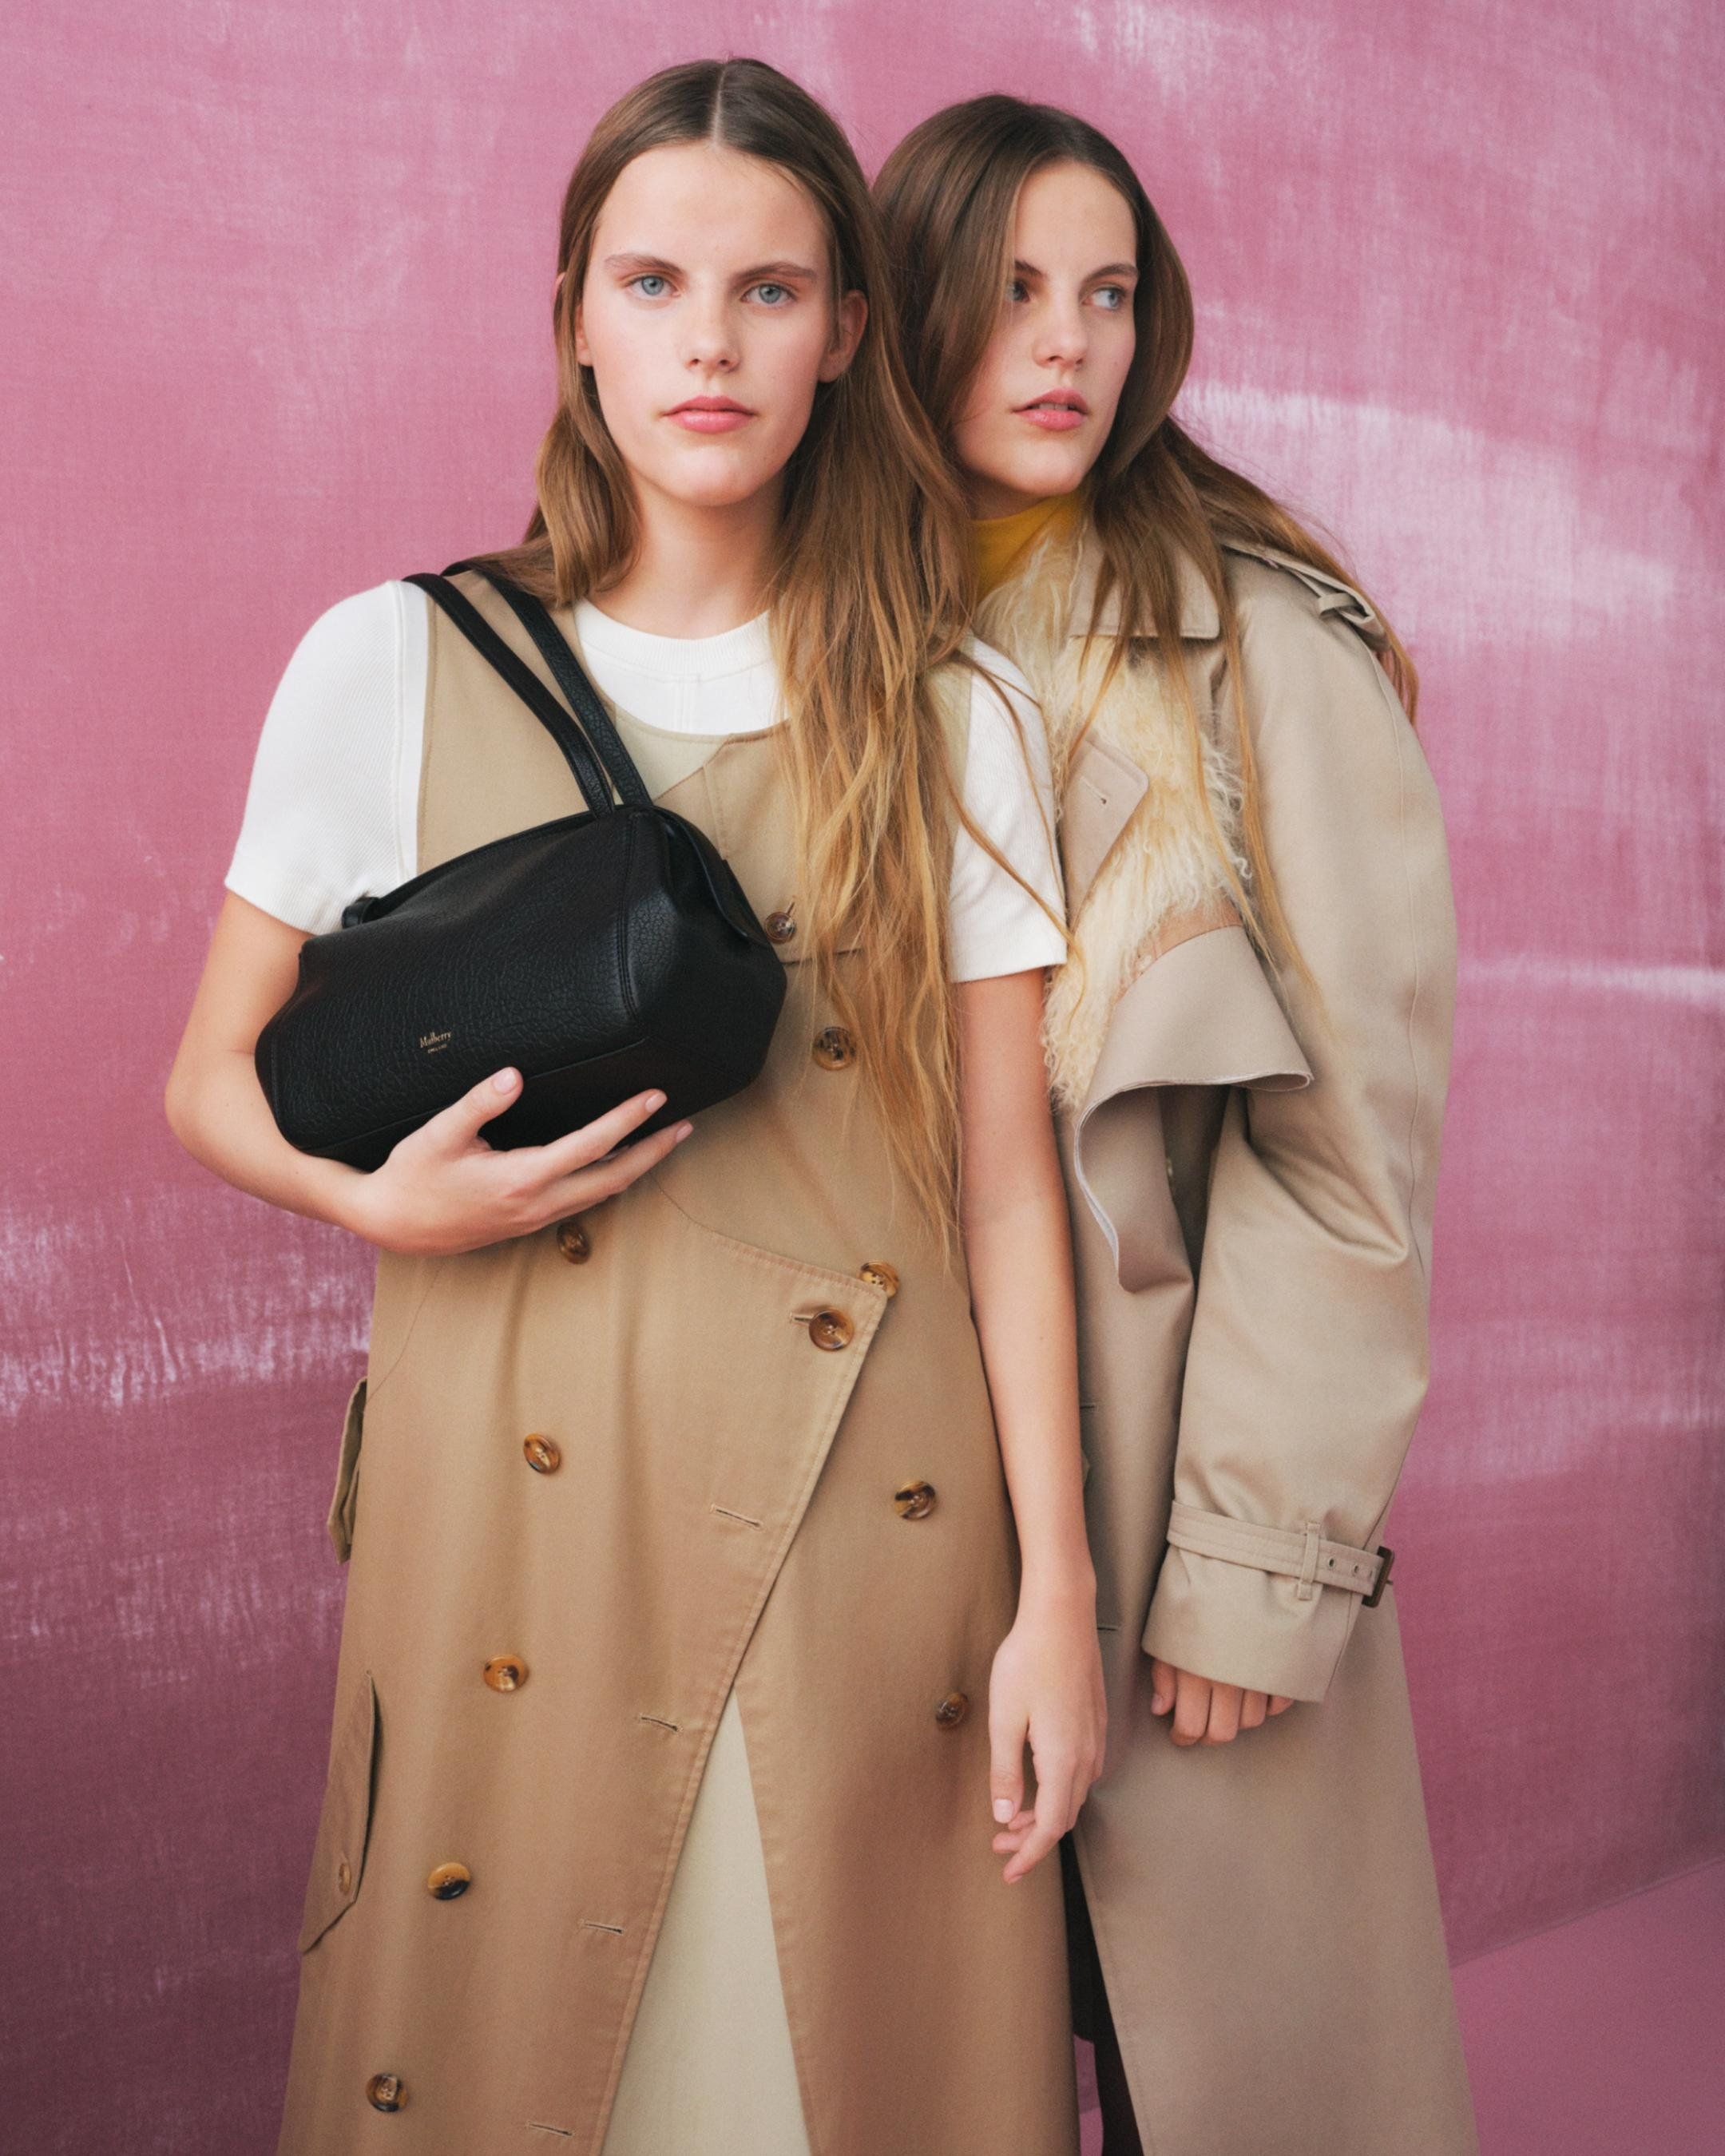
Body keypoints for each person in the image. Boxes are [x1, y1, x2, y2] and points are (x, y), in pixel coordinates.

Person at [165, 60, 1106, 2156]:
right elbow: (208, 1078)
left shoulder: (953, 710)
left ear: (848, 331)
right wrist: (383, 1214)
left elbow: (1009, 1193)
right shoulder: (392, 661)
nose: (711, 340)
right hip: (513, 1501)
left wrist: (1061, 1594)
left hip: (878, 1524)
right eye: (657, 279)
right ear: (573, 311)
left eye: (772, 291)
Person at [877, 96, 1480, 2156]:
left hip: (1162, 1497)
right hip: (879, 1481)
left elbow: (1353, 1151)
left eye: (1111, 294)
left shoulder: (1268, 656)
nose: (1070, 346)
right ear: (906, 311)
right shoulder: (819, 636)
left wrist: (1247, 1559)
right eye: (1016, 290)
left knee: (1204, 2062)